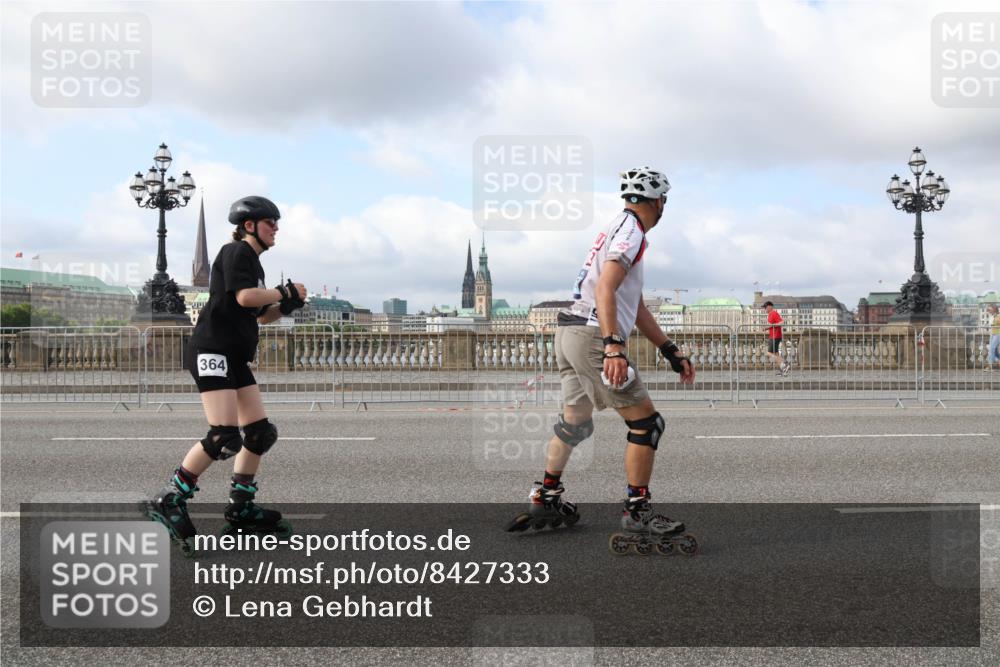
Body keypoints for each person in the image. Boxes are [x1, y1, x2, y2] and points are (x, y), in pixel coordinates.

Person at [506, 167, 697, 553]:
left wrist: (669, 349)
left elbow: (634, 305)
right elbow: (607, 287)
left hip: (569, 333)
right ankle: (637, 509)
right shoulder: (631, 234)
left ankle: (546, 495)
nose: (663, 209)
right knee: (647, 423)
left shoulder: (617, 228)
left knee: (575, 423)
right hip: (592, 336)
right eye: (664, 203)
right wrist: (613, 346)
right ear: (658, 202)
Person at [146, 196, 307, 555]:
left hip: (234, 356)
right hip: (212, 350)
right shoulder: (235, 252)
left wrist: (287, 305)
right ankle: (170, 498)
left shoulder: (255, 263)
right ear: (250, 226)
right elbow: (245, 298)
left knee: (260, 433)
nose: (276, 228)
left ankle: (241, 507)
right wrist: (284, 291)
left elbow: (261, 314)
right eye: (270, 222)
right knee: (223, 436)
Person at [763, 301, 789, 376]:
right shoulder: (770, 314)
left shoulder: (774, 313)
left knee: (768, 353)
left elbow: (781, 322)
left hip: (775, 336)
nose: (765, 309)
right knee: (776, 354)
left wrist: (770, 326)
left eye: (765, 307)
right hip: (773, 335)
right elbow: (772, 326)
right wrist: (767, 328)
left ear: (769, 306)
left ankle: (785, 364)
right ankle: (783, 371)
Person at [986, 304, 1000, 371]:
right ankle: (998, 360)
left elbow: (997, 322)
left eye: (990, 309)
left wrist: (995, 319)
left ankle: (990, 366)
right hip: (992, 334)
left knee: (992, 348)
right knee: (995, 351)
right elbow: (990, 325)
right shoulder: (991, 316)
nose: (989, 311)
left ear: (994, 309)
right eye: (988, 310)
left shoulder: (998, 316)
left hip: (998, 333)